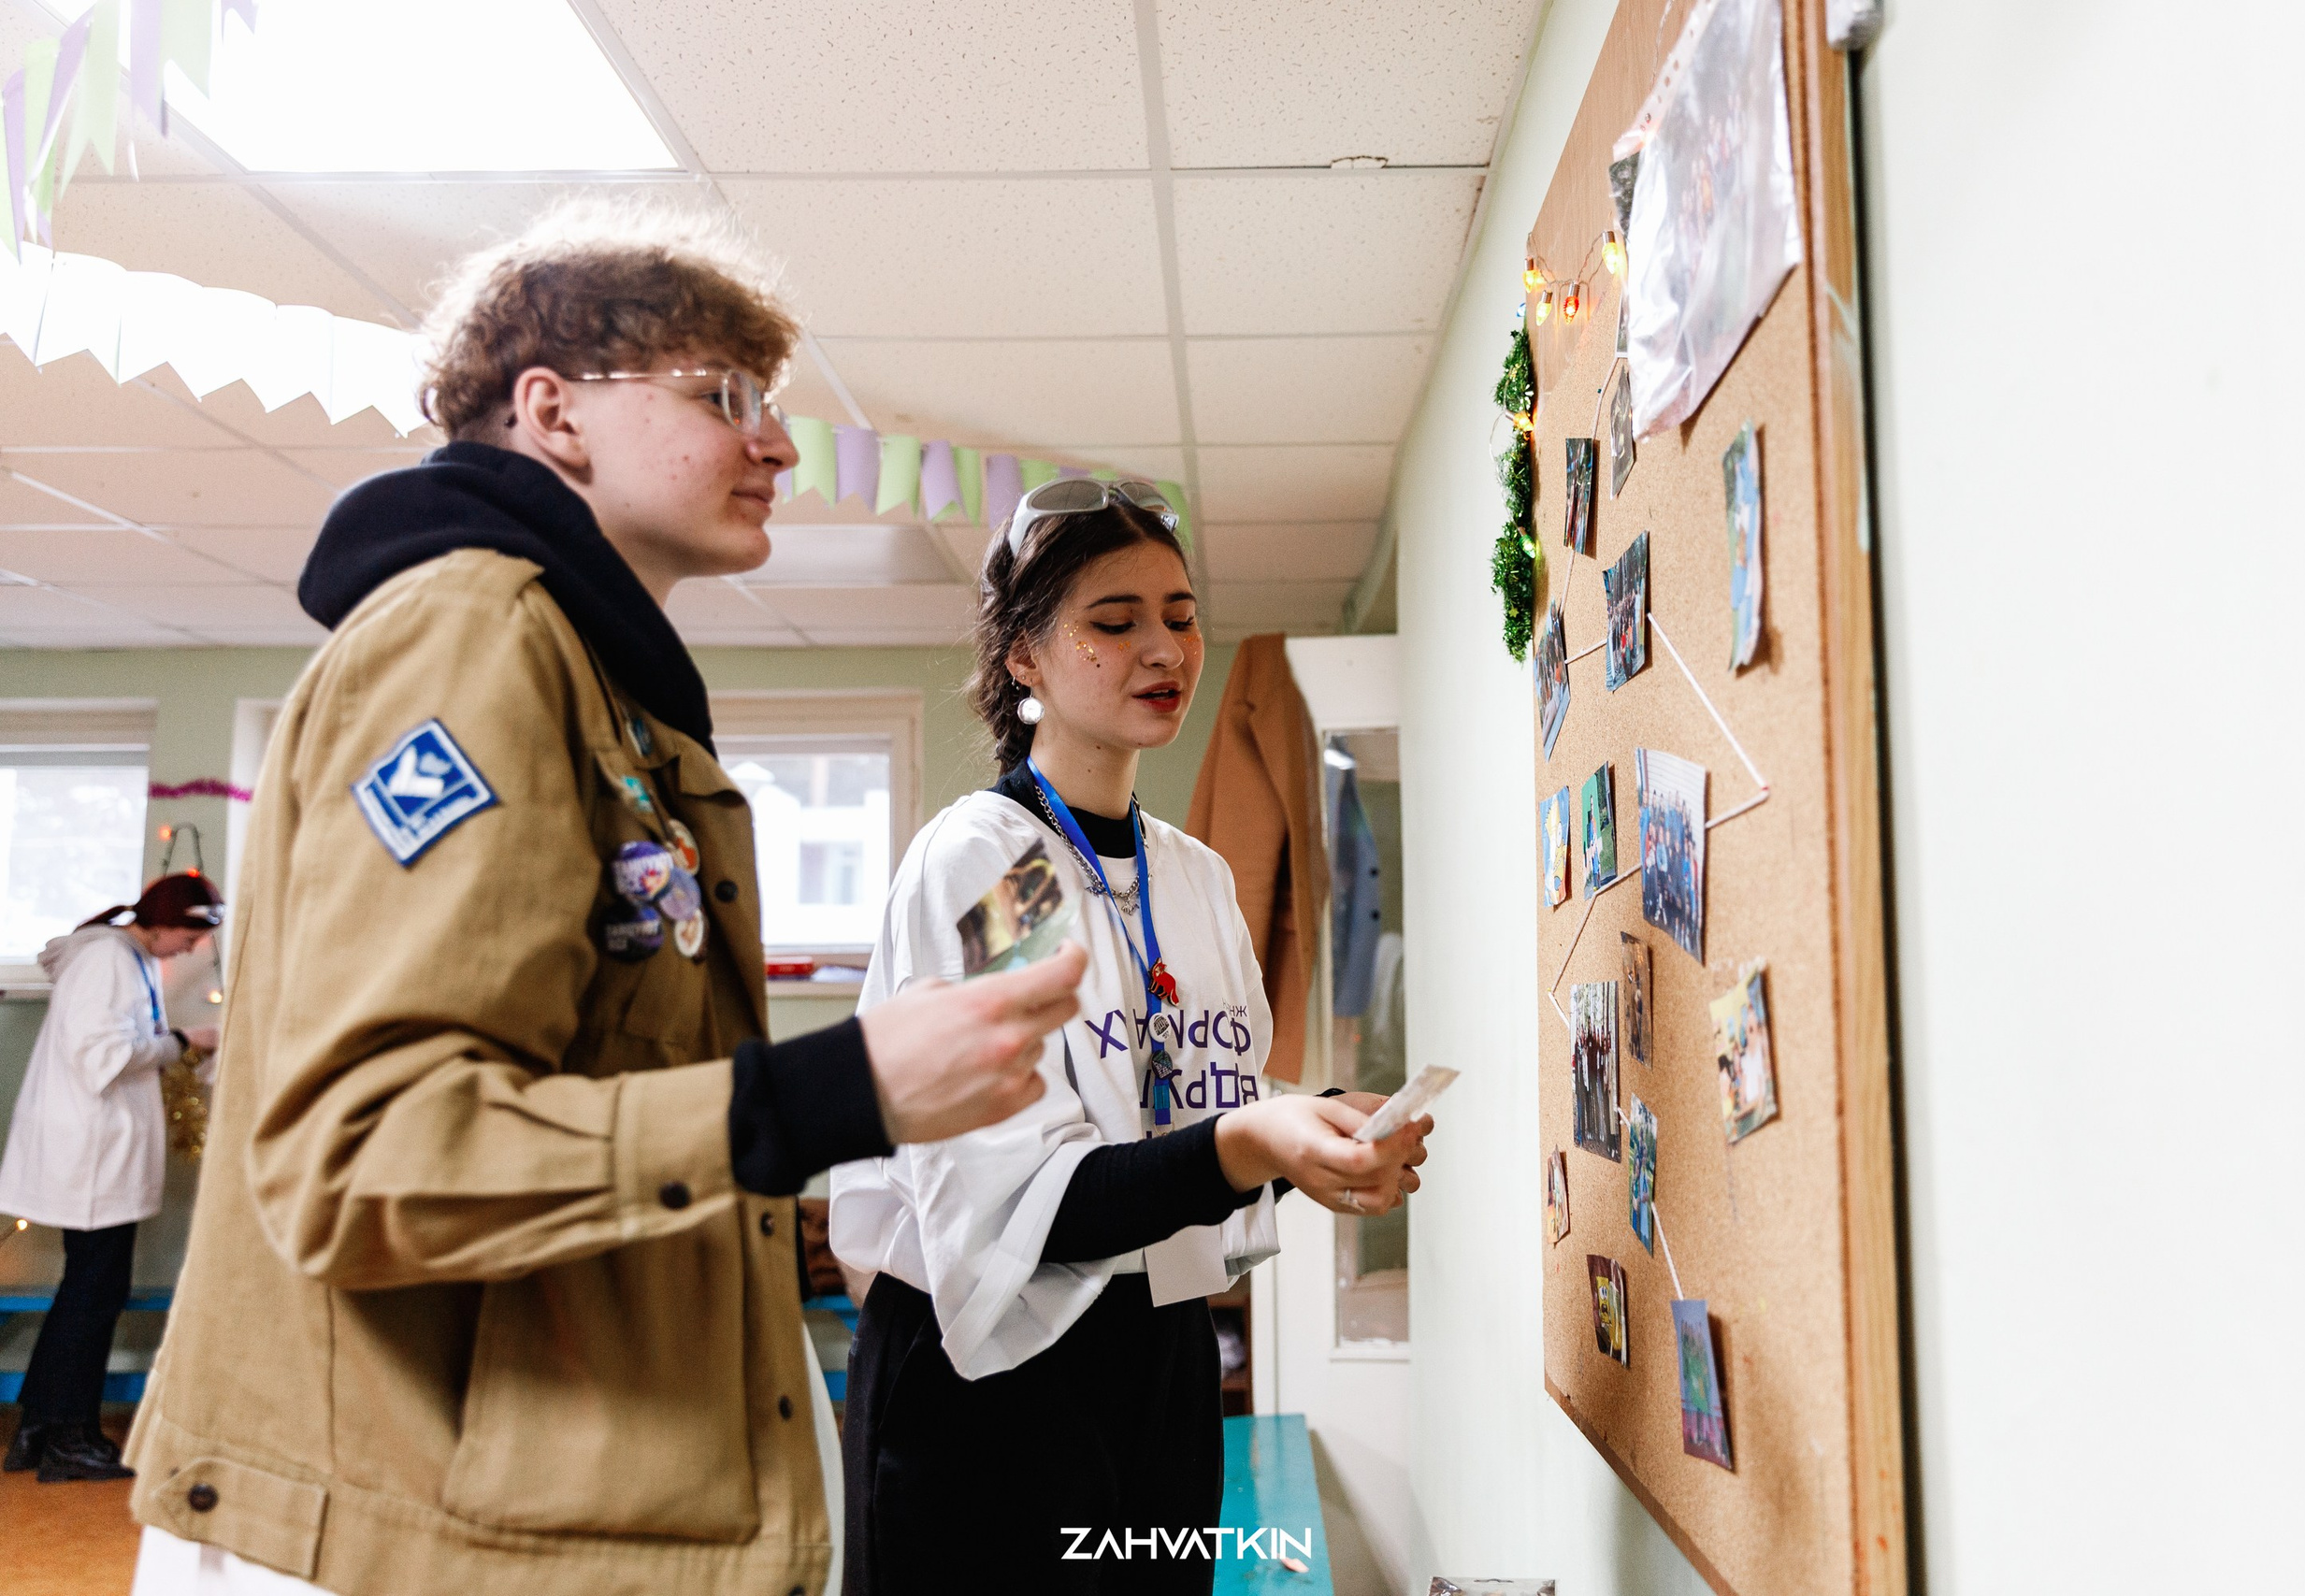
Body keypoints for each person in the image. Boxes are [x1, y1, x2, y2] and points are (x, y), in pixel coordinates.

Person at [121, 201, 1087, 1596]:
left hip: (520, 1502)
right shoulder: (471, 635)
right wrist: (837, 1090)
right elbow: (370, 1152)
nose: (774, 442)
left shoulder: (601, 683)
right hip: (393, 1528)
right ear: (552, 411)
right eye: (725, 396)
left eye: (775, 405)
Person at [829, 479, 1435, 1593]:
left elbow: (1180, 1132)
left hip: (1155, 1353)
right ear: (1023, 658)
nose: (1164, 648)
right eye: (1113, 623)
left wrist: (1311, 1137)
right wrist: (1254, 1143)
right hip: (991, 1372)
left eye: (1181, 613)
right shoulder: (997, 865)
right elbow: (1028, 1200)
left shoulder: (1193, 877)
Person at [0, 872, 222, 1483]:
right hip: (90, 1156)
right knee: (94, 1295)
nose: (189, 950)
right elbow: (103, 1055)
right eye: (188, 936)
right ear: (162, 920)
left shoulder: (118, 956)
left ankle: (40, 1428)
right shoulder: (109, 963)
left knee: (84, 1290)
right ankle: (71, 1437)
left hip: (88, 1153)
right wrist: (183, 1040)